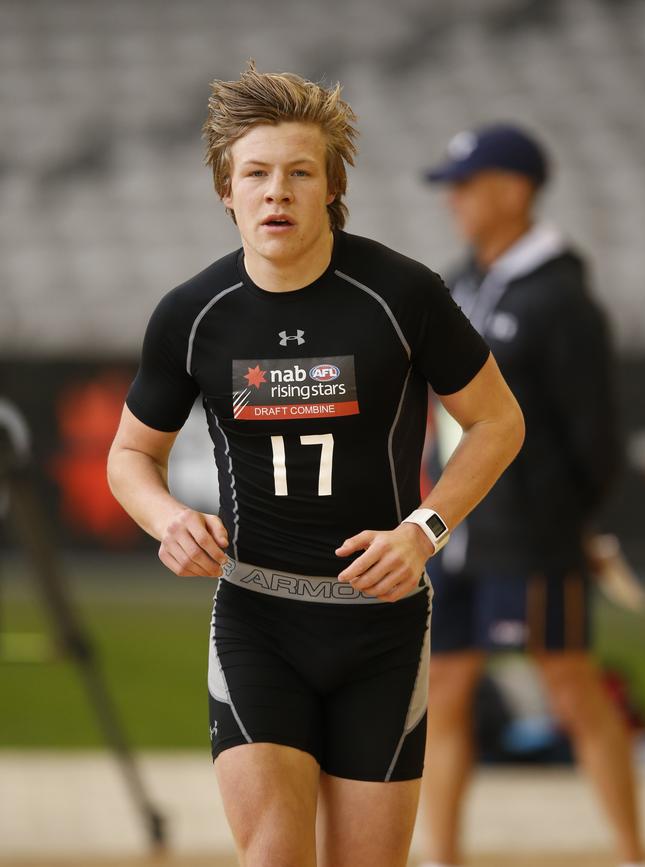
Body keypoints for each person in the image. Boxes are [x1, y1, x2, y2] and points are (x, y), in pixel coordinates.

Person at [107, 65, 525, 867]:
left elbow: (499, 422)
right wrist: (168, 520)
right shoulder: (192, 314)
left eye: (300, 172)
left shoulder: (403, 294)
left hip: (383, 623)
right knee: (274, 855)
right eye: (256, 174)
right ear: (226, 191)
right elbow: (130, 454)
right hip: (257, 620)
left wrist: (425, 529)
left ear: (332, 185)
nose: (277, 192)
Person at [419, 123, 645, 867]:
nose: (453, 200)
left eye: (467, 184)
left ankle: (630, 848)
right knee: (443, 688)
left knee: (571, 686)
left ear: (515, 190)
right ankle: (440, 854)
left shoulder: (561, 298)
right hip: (452, 523)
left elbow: (597, 438)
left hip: (531, 531)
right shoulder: (460, 282)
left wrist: (567, 522)